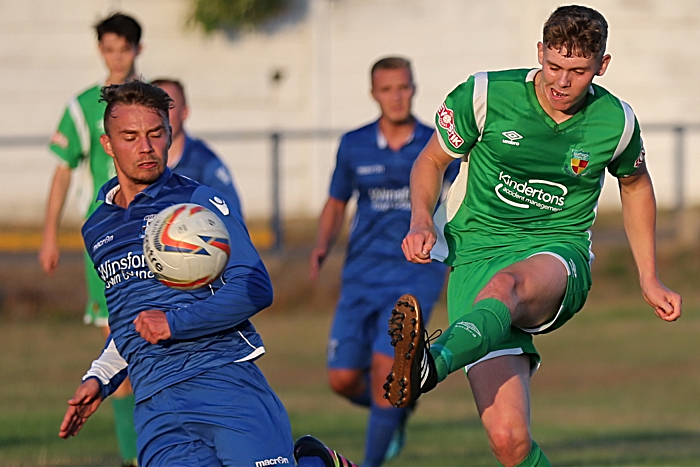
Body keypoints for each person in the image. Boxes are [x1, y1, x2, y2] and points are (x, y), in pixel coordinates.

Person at [384, 6, 682, 467]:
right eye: (554, 66)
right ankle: (432, 362)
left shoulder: (615, 121)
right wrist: (421, 220)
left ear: (601, 66)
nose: (562, 82)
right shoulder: (484, 94)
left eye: (579, 71)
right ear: (540, 52)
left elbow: (636, 184)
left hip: (556, 253)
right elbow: (430, 161)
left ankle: (430, 364)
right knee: (510, 442)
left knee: (509, 287)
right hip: (475, 255)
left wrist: (650, 277)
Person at [57, 80, 357, 467]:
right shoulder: (97, 227)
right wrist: (100, 377)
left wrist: (174, 323)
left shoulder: (198, 203)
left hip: (221, 380)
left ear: (170, 133)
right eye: (130, 136)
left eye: (155, 133)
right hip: (154, 403)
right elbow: (131, 320)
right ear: (108, 145)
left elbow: (254, 288)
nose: (146, 147)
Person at [309, 57, 458, 467]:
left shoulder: (439, 144)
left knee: (384, 376)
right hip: (360, 275)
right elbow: (337, 201)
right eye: (387, 89)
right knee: (341, 379)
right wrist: (322, 243)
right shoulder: (353, 144)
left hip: (415, 273)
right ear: (374, 93)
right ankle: (398, 411)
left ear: (414, 88)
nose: (396, 97)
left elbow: (463, 202)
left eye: (404, 87)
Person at [40, 12, 143, 466]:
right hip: (108, 242)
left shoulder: (152, 99)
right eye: (109, 48)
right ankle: (133, 457)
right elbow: (62, 173)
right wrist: (49, 236)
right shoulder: (84, 106)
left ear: (137, 49)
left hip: (159, 237)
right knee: (119, 351)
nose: (116, 57)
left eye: (124, 48)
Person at [151, 78, 243, 215]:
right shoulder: (137, 160)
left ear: (184, 113)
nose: (161, 114)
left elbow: (232, 215)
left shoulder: (204, 162)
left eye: (168, 106)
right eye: (153, 107)